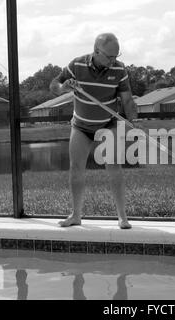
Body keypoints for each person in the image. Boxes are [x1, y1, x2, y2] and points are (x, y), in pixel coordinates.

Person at [50, 33, 138, 229]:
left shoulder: (119, 69)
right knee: (76, 168)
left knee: (113, 167)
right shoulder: (76, 65)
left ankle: (122, 217)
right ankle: (75, 215)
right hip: (81, 126)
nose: (113, 60)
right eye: (109, 56)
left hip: (109, 124)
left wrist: (133, 119)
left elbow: (127, 100)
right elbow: (53, 86)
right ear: (96, 51)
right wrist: (64, 87)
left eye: (116, 56)